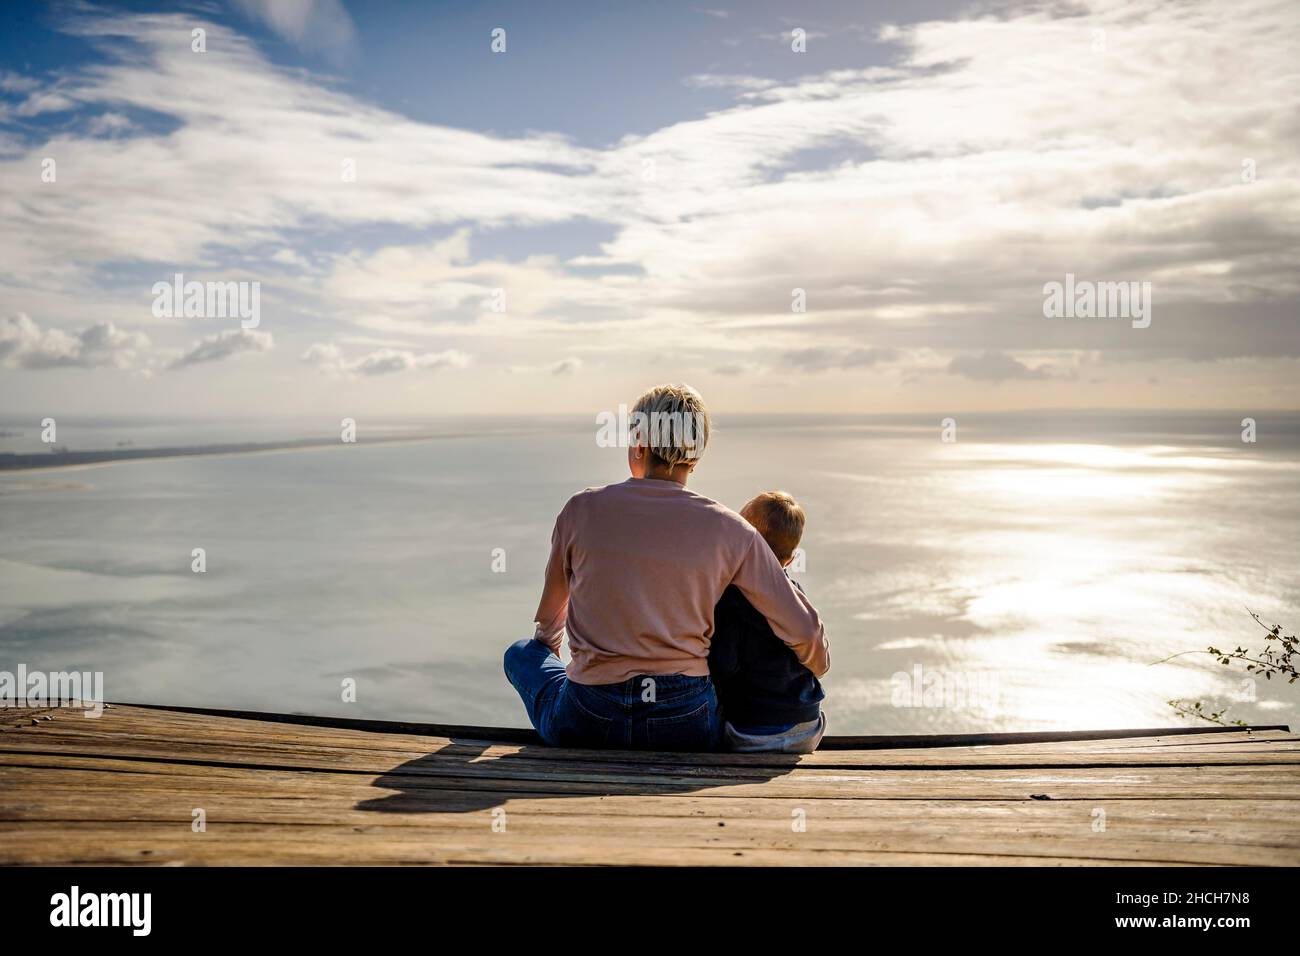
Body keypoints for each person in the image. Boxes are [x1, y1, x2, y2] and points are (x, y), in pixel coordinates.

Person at [504, 384, 829, 751]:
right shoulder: (732, 531)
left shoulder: (580, 510)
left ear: (639, 444)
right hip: (685, 723)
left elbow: (549, 627)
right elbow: (804, 631)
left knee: (521, 654)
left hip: (589, 717)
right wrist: (816, 670)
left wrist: (585, 669)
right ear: (696, 457)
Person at [709, 491, 826, 753]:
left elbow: (722, 665)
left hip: (751, 732)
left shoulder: (729, 599)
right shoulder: (795, 594)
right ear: (790, 560)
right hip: (807, 726)